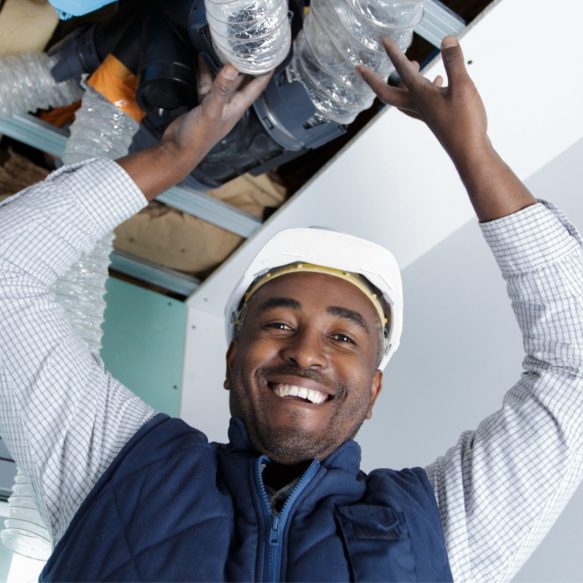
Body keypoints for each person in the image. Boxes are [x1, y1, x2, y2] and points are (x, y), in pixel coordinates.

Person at [0, 35, 581, 581]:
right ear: (231, 361)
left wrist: (474, 152)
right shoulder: (121, 467)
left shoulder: (435, 532)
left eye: (345, 338)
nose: (305, 353)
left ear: (374, 390)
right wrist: (170, 159)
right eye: (279, 323)